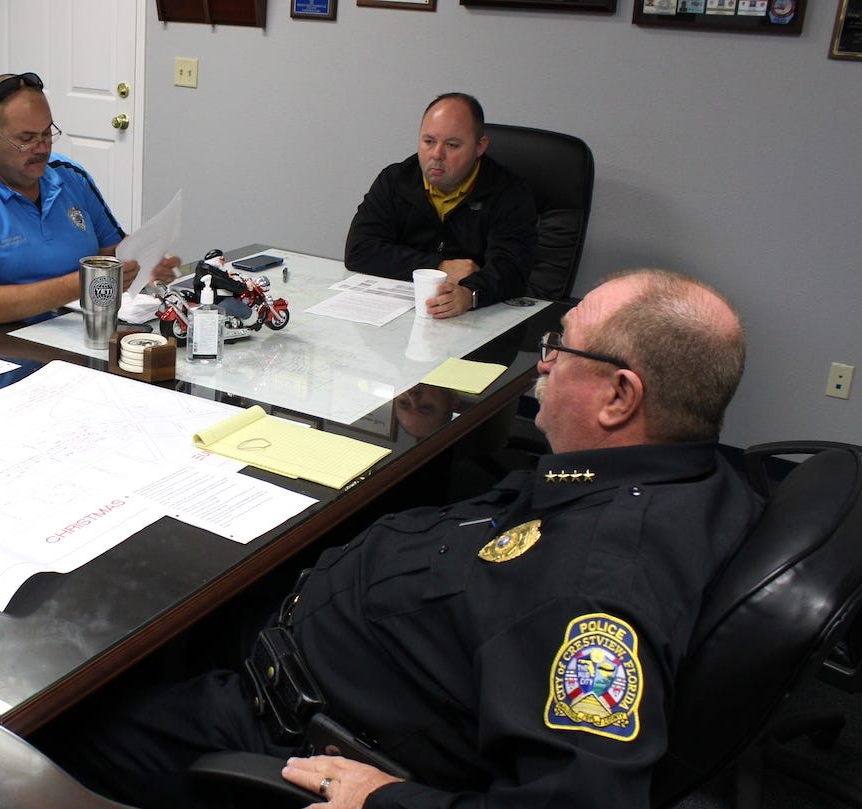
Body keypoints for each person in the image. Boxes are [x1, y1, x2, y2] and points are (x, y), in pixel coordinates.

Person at [52, 269, 762, 808]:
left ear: (619, 396)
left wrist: (386, 799)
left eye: (561, 345)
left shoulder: (593, 590)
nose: (543, 361)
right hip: (321, 635)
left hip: (281, 725)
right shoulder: (703, 472)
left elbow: (579, 795)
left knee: (62, 720)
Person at [0, 72, 179, 339]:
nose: (42, 148)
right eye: (26, 139)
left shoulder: (69, 176)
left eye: (46, 134)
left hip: (57, 331)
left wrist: (142, 264)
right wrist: (85, 283)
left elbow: (111, 251)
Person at [344, 93, 536, 319]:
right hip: (402, 314)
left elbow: (511, 270)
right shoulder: (396, 180)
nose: (436, 154)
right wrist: (440, 266)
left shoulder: (509, 192)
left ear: (479, 146)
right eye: (428, 141)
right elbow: (359, 250)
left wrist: (470, 293)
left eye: (452, 145)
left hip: (478, 320)